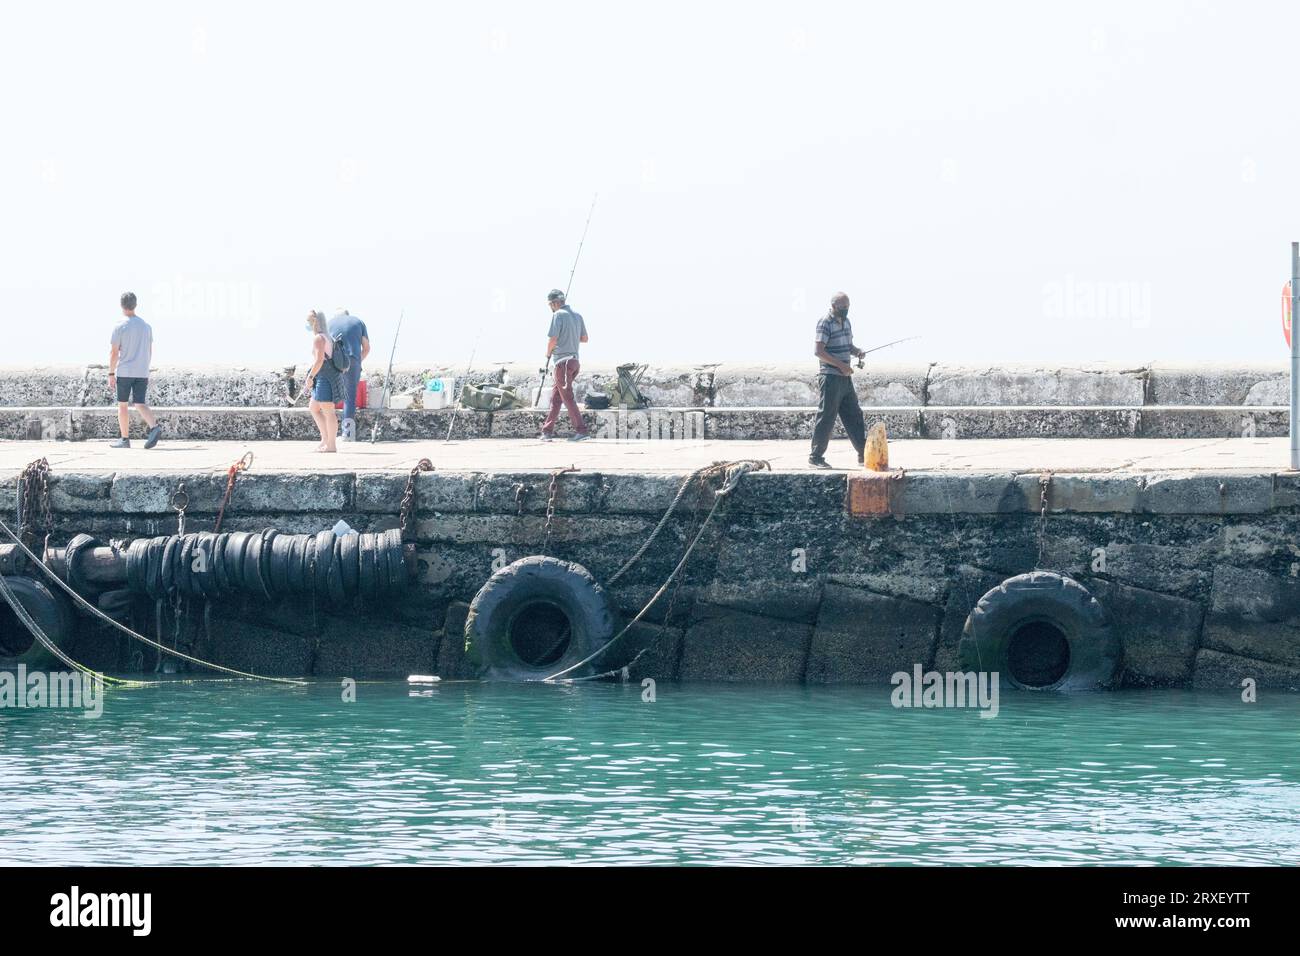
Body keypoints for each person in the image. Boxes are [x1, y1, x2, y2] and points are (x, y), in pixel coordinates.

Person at [809, 291, 867, 469]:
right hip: (830, 377)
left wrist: (857, 351)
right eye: (843, 307)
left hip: (845, 378)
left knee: (854, 415)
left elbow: (848, 345)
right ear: (834, 306)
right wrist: (840, 365)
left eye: (848, 307)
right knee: (826, 416)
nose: (846, 310)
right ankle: (816, 457)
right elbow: (819, 351)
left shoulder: (846, 322)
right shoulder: (825, 322)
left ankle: (863, 454)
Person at [107, 292, 163, 449]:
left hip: (125, 371)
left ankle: (125, 439)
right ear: (135, 304)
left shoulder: (119, 326)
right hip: (142, 371)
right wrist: (144, 367)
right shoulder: (146, 327)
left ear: (121, 305)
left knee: (122, 405)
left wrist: (111, 373)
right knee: (139, 403)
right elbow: (149, 350)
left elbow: (114, 352)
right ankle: (154, 427)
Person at [538, 288, 590, 442]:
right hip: (574, 362)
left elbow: (553, 339)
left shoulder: (558, 315)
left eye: (550, 305)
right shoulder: (577, 316)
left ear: (555, 303)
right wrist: (570, 337)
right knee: (556, 398)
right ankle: (547, 431)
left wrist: (548, 354)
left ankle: (582, 431)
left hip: (563, 363)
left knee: (567, 398)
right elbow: (584, 338)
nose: (550, 308)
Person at [327, 308, 369, 442]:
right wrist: (357, 361)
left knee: (329, 397)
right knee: (350, 397)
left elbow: (326, 347)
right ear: (347, 315)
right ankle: (348, 434)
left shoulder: (329, 323)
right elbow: (367, 348)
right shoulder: (358, 322)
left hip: (334, 362)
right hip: (352, 359)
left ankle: (328, 434)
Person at [305, 310, 342, 453]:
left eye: (309, 321)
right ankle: (325, 439)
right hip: (326, 375)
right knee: (314, 408)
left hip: (324, 377)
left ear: (315, 322)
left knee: (328, 411)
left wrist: (310, 377)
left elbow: (319, 360)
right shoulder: (327, 337)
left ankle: (331, 445)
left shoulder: (319, 338)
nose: (307, 324)